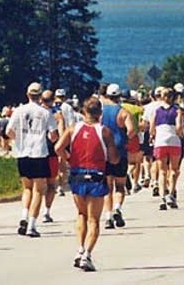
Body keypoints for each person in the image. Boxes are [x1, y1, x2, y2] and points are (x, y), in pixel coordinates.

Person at [55, 96, 120, 272]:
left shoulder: (73, 129)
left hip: (77, 174)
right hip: (96, 175)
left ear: (83, 111)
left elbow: (58, 148)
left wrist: (69, 159)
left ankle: (79, 249)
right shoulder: (104, 131)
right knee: (94, 219)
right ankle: (87, 255)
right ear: (100, 113)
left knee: (81, 214)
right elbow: (114, 159)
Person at [7, 82, 58, 237]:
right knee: (39, 190)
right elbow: (53, 134)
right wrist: (49, 138)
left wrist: (18, 140)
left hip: (23, 153)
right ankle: (32, 224)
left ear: (27, 95)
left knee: (27, 188)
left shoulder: (19, 111)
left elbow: (8, 131)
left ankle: (23, 215)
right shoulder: (45, 112)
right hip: (39, 153)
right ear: (40, 96)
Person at [101, 83, 134, 229]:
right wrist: (126, 138)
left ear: (107, 96)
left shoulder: (101, 112)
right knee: (120, 186)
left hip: (106, 152)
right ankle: (117, 209)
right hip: (120, 151)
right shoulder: (123, 112)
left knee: (107, 187)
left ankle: (107, 217)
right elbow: (132, 130)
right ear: (119, 96)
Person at [150, 88, 184, 210]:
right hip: (174, 141)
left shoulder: (157, 111)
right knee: (174, 169)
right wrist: (181, 133)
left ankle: (162, 198)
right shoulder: (177, 110)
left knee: (162, 171)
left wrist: (152, 136)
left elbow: (151, 129)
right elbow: (179, 127)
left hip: (160, 141)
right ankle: (171, 193)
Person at [40, 90, 65, 223]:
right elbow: (59, 134)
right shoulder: (56, 114)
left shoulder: (34, 112)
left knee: (35, 185)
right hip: (50, 151)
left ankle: (29, 213)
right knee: (50, 184)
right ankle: (46, 211)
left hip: (35, 151)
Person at [121, 89, 144, 193]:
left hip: (121, 137)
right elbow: (141, 125)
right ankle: (133, 180)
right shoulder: (138, 109)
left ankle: (125, 179)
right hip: (134, 137)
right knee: (135, 162)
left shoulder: (119, 109)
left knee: (124, 161)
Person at [55, 88, 75, 196]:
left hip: (53, 136)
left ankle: (55, 183)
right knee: (63, 161)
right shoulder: (68, 107)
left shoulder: (50, 106)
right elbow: (72, 123)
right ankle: (60, 186)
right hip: (65, 136)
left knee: (55, 162)